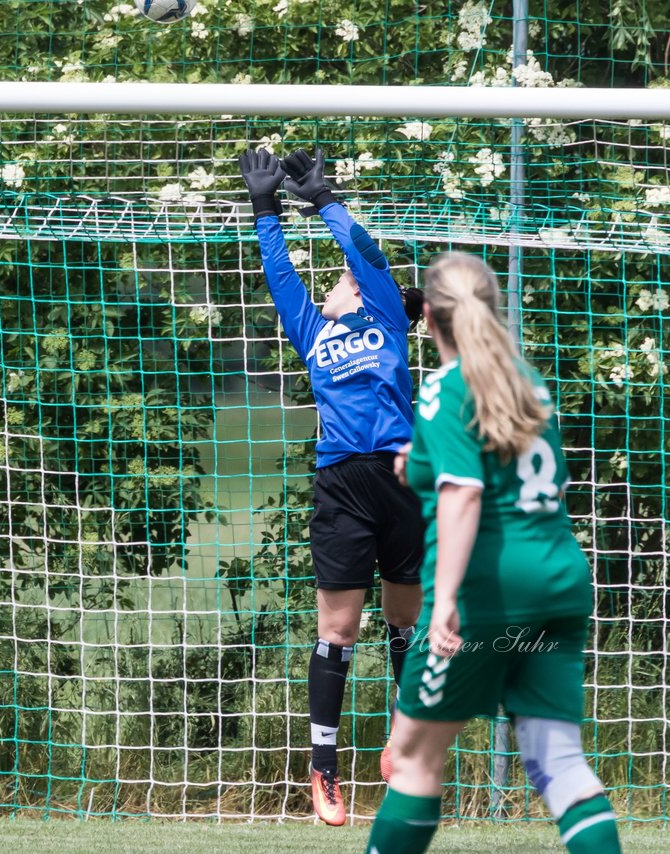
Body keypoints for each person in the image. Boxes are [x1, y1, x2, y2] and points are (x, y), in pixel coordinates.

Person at [366, 252, 621, 853]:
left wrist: (447, 599)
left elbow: (465, 494)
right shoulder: (526, 381)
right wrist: (419, 467)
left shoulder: (445, 388)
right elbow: (528, 479)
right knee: (557, 760)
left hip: (486, 590)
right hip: (557, 579)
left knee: (411, 759)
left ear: (426, 314)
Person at [237, 146, 424, 826]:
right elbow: (279, 272)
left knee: (405, 622)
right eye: (343, 278)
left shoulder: (387, 319)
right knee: (338, 631)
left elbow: (366, 252)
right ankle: (324, 772)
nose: (347, 277)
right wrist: (266, 209)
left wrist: (324, 198)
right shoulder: (311, 330)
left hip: (403, 479)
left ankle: (409, 754)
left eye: (352, 277)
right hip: (342, 483)